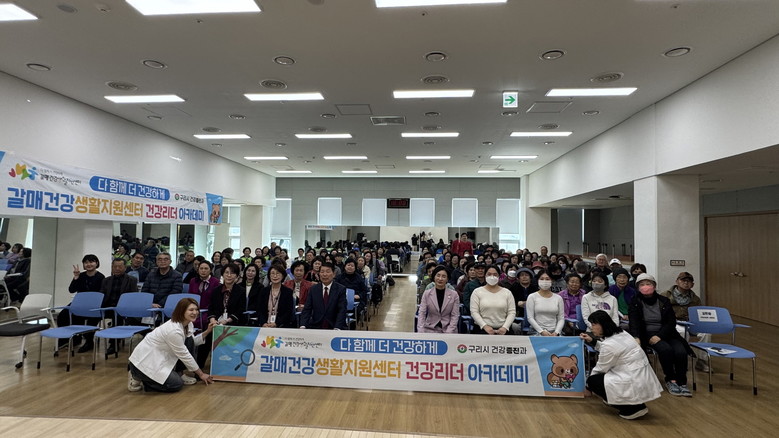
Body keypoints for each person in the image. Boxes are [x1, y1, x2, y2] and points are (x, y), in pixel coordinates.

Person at [581, 310, 663, 420]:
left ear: (602, 325)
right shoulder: (622, 333)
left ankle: (630, 409)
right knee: (602, 378)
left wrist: (588, 386)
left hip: (631, 377)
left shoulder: (609, 345)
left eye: (593, 324)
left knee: (593, 380)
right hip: (641, 376)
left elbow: (600, 368)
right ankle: (632, 404)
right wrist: (593, 341)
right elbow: (612, 349)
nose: (592, 328)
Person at [128, 297, 216, 392]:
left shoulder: (188, 323)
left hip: (159, 358)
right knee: (176, 385)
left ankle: (177, 374)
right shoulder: (173, 330)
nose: (195, 312)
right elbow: (184, 354)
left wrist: (207, 331)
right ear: (182, 311)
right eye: (191, 310)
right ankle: (137, 376)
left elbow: (193, 343)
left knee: (189, 341)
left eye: (196, 309)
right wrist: (201, 374)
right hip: (145, 362)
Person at [629, 273, 693, 397]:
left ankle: (682, 382)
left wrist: (660, 335)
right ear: (638, 287)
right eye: (642, 284)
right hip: (647, 334)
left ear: (654, 286)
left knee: (681, 351)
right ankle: (671, 380)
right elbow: (634, 322)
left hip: (666, 333)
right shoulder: (635, 301)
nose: (645, 286)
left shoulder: (664, 301)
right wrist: (636, 337)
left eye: (648, 284)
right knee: (666, 350)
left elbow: (671, 322)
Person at [660, 272, 711, 372]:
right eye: (683, 280)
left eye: (689, 281)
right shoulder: (666, 295)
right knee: (683, 332)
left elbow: (698, 313)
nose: (686, 283)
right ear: (677, 281)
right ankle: (680, 360)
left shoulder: (695, 298)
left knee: (706, 333)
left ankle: (702, 361)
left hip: (690, 322)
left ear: (692, 284)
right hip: (674, 322)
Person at [59, 254, 106, 352]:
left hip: (94, 304)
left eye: (91, 262)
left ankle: (89, 342)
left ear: (96, 263)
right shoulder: (81, 276)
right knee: (62, 315)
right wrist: (76, 277)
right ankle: (67, 339)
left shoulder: (101, 277)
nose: (89, 264)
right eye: (86, 262)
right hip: (79, 303)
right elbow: (71, 290)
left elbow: (101, 293)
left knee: (90, 318)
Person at [99, 258, 139, 355]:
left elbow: (133, 297)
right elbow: (102, 295)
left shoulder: (131, 280)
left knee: (118, 317)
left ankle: (113, 344)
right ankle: (88, 341)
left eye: (120, 266)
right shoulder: (106, 280)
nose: (117, 268)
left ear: (125, 268)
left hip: (123, 308)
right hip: (108, 307)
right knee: (90, 316)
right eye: (114, 266)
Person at [300, 262, 348, 330]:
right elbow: (307, 309)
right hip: (316, 326)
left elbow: (342, 310)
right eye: (322, 272)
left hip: (334, 325)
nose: (324, 274)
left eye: (328, 272)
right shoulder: (313, 289)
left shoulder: (340, 289)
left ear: (334, 274)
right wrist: (303, 325)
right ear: (319, 274)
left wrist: (337, 327)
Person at [469, 265, 515, 335]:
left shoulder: (507, 293)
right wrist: (485, 326)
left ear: (499, 276)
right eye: (489, 274)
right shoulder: (477, 292)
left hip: (504, 330)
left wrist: (505, 327)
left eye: (495, 274)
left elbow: (512, 312)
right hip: (482, 330)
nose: (492, 277)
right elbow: (474, 312)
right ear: (485, 275)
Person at [417, 266, 460, 333]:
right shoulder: (427, 293)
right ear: (434, 277)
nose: (440, 279)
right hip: (430, 329)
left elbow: (455, 315)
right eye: (438, 275)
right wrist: (421, 331)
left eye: (443, 276)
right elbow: (422, 313)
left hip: (448, 329)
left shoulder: (454, 295)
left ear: (447, 279)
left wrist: (449, 332)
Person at [526, 269, 565, 336]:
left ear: (552, 280)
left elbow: (561, 318)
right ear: (538, 280)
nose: (544, 281)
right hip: (536, 331)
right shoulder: (532, 297)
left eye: (547, 279)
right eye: (542, 279)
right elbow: (530, 318)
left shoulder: (558, 298)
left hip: (554, 332)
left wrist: (556, 332)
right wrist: (541, 331)